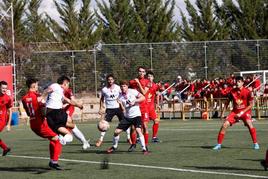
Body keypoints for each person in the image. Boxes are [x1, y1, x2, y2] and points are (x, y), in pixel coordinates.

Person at [22, 78, 62, 170]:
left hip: (33, 123)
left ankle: (53, 161)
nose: (37, 86)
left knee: (53, 139)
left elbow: (28, 113)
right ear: (34, 86)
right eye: (37, 85)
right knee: (57, 139)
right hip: (40, 124)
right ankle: (54, 162)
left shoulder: (24, 98)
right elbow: (43, 111)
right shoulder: (38, 97)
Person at [213, 76, 259, 150]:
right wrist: (222, 113)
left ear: (242, 83)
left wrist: (241, 113)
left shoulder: (247, 92)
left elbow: (251, 105)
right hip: (235, 112)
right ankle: (218, 144)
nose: (237, 83)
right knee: (224, 125)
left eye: (239, 82)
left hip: (245, 111)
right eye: (236, 81)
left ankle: (255, 143)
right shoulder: (232, 91)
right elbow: (227, 103)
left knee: (249, 124)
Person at [106, 80, 148, 155]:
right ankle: (114, 147)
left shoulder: (133, 91)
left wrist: (135, 101)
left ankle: (144, 149)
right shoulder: (119, 96)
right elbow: (123, 109)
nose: (123, 88)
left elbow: (143, 98)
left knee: (138, 130)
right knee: (116, 132)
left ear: (127, 86)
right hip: (127, 117)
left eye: (124, 86)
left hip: (136, 116)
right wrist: (120, 104)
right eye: (121, 86)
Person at [44, 75, 83, 145]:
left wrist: (78, 105)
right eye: (68, 84)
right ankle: (83, 140)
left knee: (69, 137)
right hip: (56, 112)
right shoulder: (56, 86)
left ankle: (60, 139)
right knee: (71, 123)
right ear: (65, 83)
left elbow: (68, 101)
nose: (68, 86)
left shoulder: (59, 92)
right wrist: (41, 97)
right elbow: (48, 90)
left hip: (49, 116)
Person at [96, 74, 130, 147]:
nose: (110, 81)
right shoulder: (104, 89)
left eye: (111, 79)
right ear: (107, 80)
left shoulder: (118, 88)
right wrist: (101, 107)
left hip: (118, 108)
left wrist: (123, 104)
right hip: (109, 109)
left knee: (125, 122)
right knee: (104, 124)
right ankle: (100, 140)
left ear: (114, 80)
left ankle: (128, 137)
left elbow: (124, 94)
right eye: (109, 79)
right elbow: (102, 99)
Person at [129, 66, 150, 151]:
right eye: (140, 71)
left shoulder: (147, 82)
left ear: (145, 73)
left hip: (144, 107)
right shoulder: (131, 82)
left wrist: (138, 83)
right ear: (138, 72)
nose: (141, 73)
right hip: (135, 107)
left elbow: (144, 93)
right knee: (133, 127)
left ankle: (145, 145)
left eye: (143, 71)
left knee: (145, 127)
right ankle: (133, 144)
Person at [146, 71, 161, 143]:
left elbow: (157, 95)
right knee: (144, 123)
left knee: (156, 121)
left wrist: (158, 104)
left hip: (151, 107)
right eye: (148, 76)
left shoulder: (155, 86)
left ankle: (154, 137)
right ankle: (139, 138)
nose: (149, 78)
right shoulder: (144, 85)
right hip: (144, 107)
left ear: (153, 77)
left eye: (151, 76)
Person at [0, 81, 12, 156]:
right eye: (3, 88)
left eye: (6, 88)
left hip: (1, 121)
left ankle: (5, 148)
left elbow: (10, 110)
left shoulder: (7, 98)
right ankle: (5, 148)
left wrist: (8, 124)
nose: (4, 90)